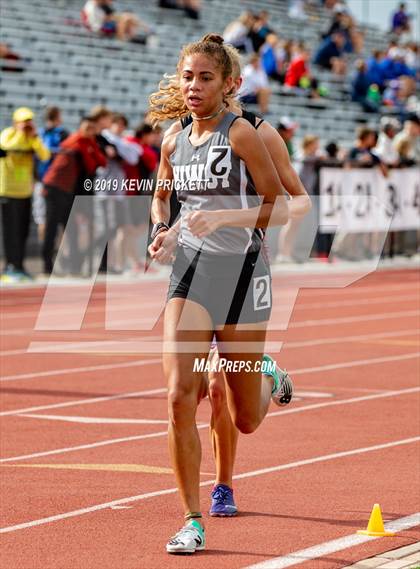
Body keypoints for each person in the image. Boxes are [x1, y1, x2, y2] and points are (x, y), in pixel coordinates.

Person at [150, 40, 311, 518]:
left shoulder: (254, 134)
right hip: (191, 273)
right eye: (187, 77)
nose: (193, 87)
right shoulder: (174, 139)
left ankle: (266, 373)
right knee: (184, 393)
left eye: (204, 78)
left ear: (231, 85)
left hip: (241, 276)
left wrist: (225, 220)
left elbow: (292, 203)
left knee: (242, 415)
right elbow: (161, 197)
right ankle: (194, 518)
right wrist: (162, 230)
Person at [42, 117, 107, 275]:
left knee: (72, 230)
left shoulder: (87, 142)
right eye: (87, 128)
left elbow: (101, 162)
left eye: (92, 129)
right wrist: (91, 145)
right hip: (56, 188)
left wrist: (92, 145)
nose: (90, 132)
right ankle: (49, 265)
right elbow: (92, 164)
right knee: (53, 227)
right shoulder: (76, 141)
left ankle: (71, 264)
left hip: (69, 191)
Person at [0, 107, 50, 282]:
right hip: (8, 190)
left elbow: (45, 155)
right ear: (16, 122)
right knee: (10, 231)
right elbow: (6, 146)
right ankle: (10, 266)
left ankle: (20, 265)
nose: (27, 125)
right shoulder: (8, 134)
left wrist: (35, 138)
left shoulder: (32, 138)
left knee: (22, 231)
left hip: (25, 191)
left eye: (29, 121)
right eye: (24, 121)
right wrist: (21, 133)